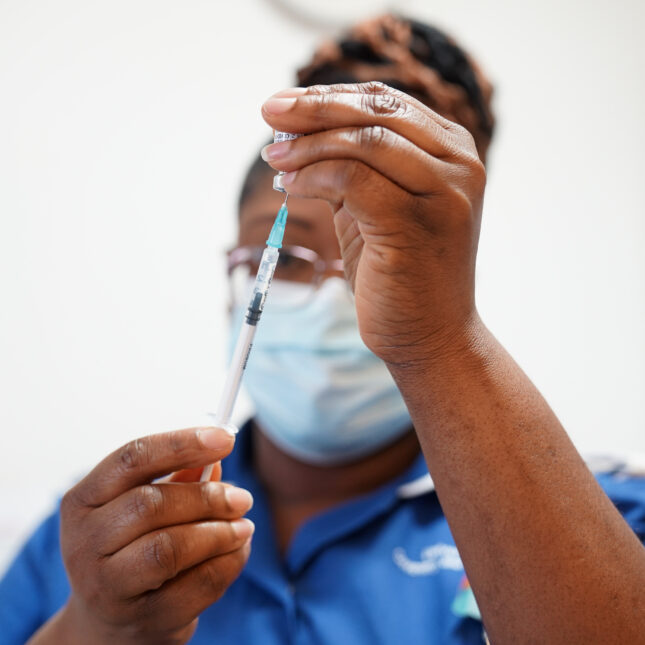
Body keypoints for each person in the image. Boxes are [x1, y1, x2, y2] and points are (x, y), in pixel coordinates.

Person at [1, 14, 644, 645]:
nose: (342, 296)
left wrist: (437, 341)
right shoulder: (105, 541)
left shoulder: (600, 522)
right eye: (289, 259)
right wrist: (95, 629)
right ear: (239, 272)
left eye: (382, 256)